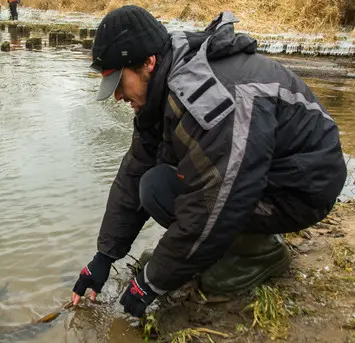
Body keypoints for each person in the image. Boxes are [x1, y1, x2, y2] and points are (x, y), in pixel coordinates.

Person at [71, 5, 347, 318]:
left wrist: (152, 281)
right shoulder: (164, 89)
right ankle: (239, 242)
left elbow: (215, 202)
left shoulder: (208, 97)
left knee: (188, 198)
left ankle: (258, 253)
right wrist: (104, 256)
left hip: (304, 190)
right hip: (270, 175)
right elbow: (135, 170)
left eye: (120, 83)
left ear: (148, 62)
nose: (118, 96)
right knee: (154, 185)